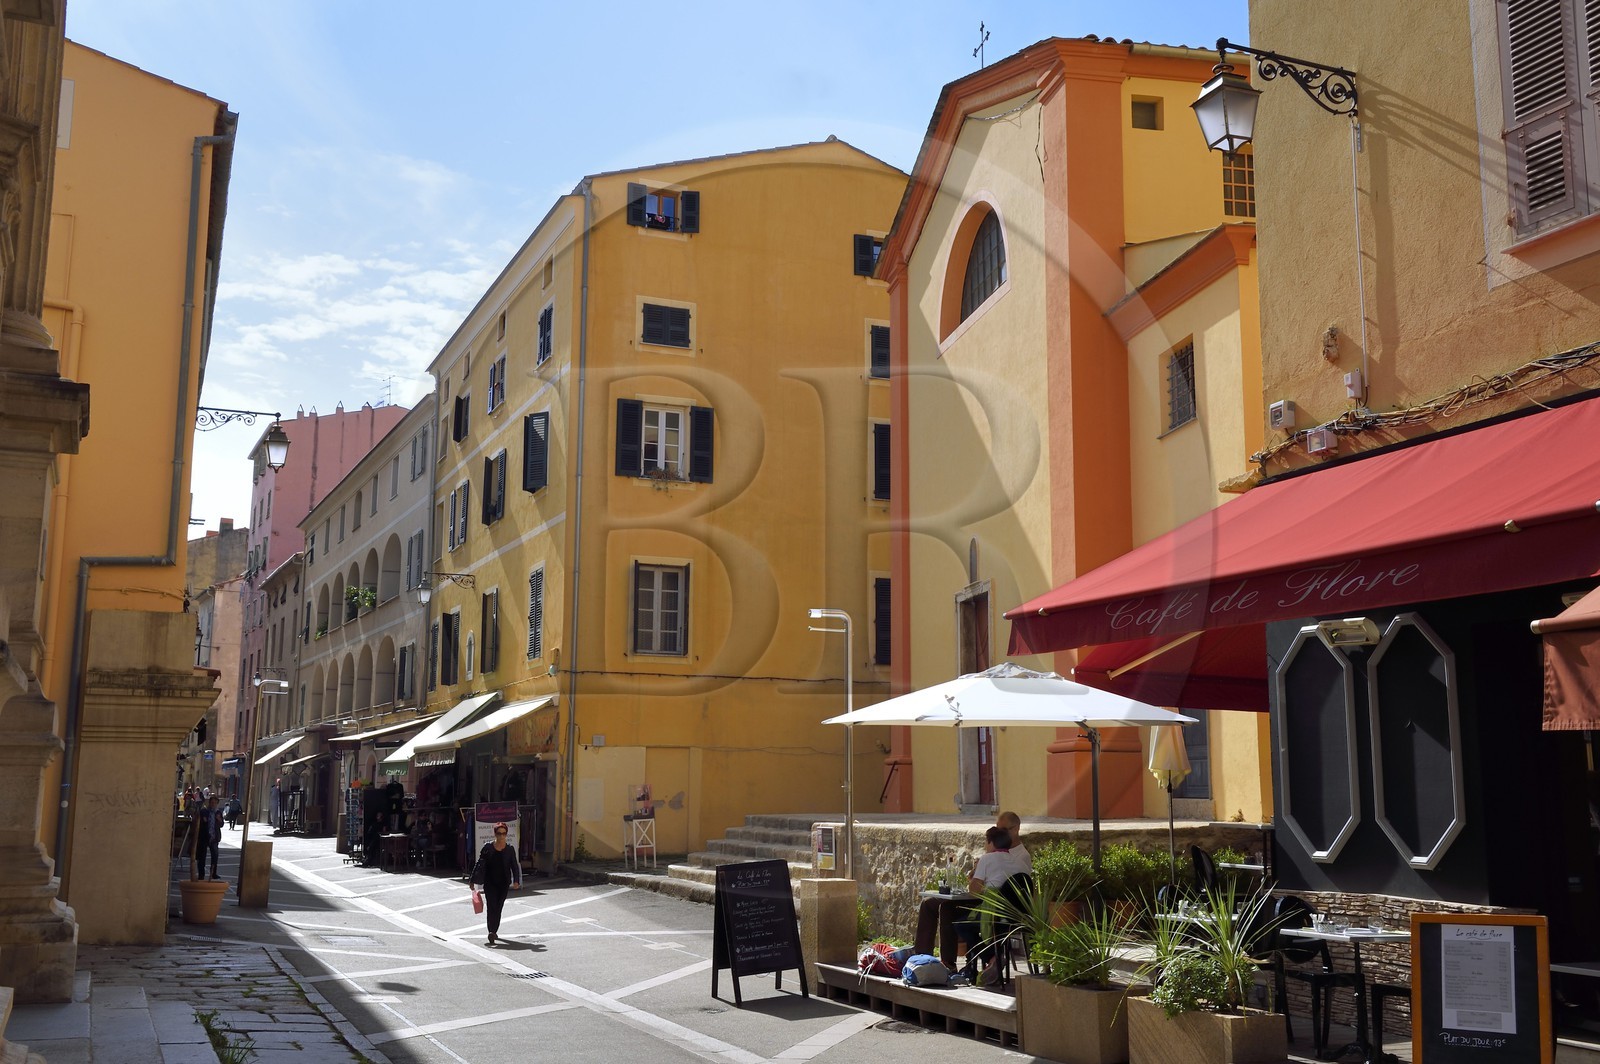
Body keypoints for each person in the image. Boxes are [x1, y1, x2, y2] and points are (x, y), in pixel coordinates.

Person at [914, 812, 1031, 967]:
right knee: (929, 903)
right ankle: (921, 958)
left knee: (948, 909)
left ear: (1015, 829)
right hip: (989, 901)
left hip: (994, 905)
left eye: (1002, 830)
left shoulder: (1020, 857)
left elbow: (987, 887)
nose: (998, 834)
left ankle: (949, 962)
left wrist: (981, 872)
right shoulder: (996, 854)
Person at [954, 826, 1029, 986]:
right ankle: (994, 958)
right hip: (1018, 917)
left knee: (961, 924)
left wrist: (975, 872)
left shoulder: (987, 859)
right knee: (973, 922)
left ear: (992, 843)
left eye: (986, 843)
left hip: (996, 914)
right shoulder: (1020, 861)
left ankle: (992, 957)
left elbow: (974, 891)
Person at [470, 822, 522, 944]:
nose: (501, 836)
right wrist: (472, 880)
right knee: (491, 906)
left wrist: (516, 880)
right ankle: (491, 931)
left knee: (498, 907)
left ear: (506, 834)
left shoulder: (509, 849)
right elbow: (479, 864)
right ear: (495, 834)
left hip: (503, 884)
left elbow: (514, 866)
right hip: (490, 883)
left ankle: (494, 929)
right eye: (499, 833)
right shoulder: (488, 848)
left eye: (504, 833)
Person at [196, 795, 226, 880]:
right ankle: (201, 874)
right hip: (204, 836)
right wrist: (204, 820)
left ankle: (213, 873)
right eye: (212, 802)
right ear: (209, 803)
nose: (213, 804)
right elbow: (199, 822)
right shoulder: (204, 811)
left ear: (217, 804)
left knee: (215, 855)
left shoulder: (218, 812)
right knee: (202, 856)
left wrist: (219, 820)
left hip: (214, 837)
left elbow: (221, 824)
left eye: (215, 803)